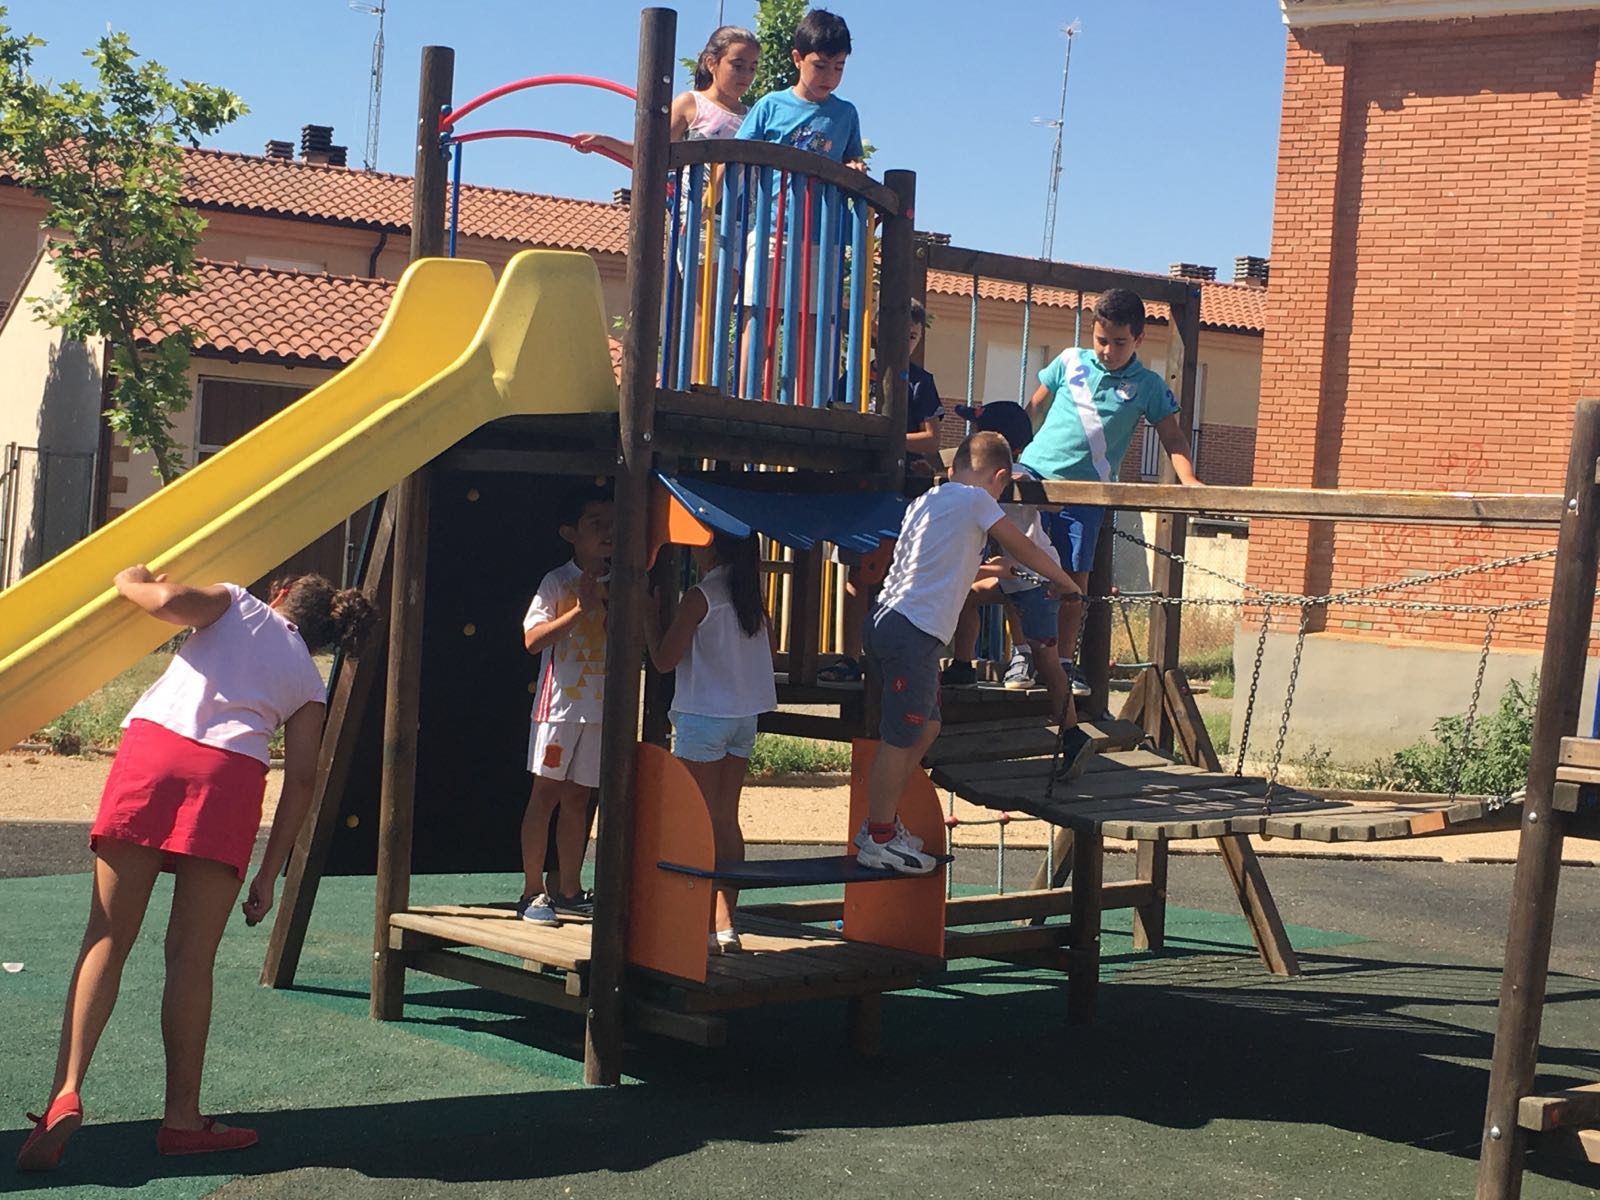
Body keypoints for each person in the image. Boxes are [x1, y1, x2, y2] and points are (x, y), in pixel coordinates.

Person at [16, 567, 375, 1171]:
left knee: (107, 935)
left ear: (281, 593)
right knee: (190, 958)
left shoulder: (238, 602)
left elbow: (167, 600)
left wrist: (130, 577)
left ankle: (65, 1093)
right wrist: (268, 872)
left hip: (155, 755)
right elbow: (305, 776)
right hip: (230, 780)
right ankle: (182, 1119)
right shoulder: (308, 681)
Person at [857, 432, 1085, 875]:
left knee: (928, 727)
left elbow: (942, 561)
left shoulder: (928, 500)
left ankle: (883, 824)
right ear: (1000, 476)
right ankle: (878, 835)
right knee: (902, 735)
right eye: (1002, 488)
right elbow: (1021, 544)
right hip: (912, 630)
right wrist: (1066, 580)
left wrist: (998, 569)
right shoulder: (977, 500)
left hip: (891, 621)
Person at [1016, 288, 1202, 700]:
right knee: (1021, 569)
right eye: (1101, 339)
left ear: (1138, 340)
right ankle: (1024, 654)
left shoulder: (1148, 386)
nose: (1107, 350)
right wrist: (1010, 449)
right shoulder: (1069, 361)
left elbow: (1172, 436)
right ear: (1092, 332)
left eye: (1119, 343)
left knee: (1073, 577)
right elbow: (1034, 409)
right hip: (1034, 478)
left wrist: (1187, 478)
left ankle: (1064, 661)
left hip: (1087, 491)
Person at [643, 532, 777, 954]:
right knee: (724, 818)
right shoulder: (750, 595)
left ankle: (692, 920)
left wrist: (649, 615)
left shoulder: (700, 596)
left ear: (711, 546)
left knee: (695, 820)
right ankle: (724, 924)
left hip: (704, 715)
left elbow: (664, 659)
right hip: (744, 716)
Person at [820, 299, 943, 684]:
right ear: (875, 333)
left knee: (897, 571)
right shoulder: (855, 376)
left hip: (899, 491)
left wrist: (889, 440)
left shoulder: (921, 381)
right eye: (898, 334)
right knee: (856, 574)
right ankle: (849, 656)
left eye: (913, 336)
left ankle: (889, 657)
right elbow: (838, 423)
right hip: (858, 488)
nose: (906, 342)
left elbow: (931, 438)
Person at [942, 402, 1076, 738]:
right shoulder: (977, 482)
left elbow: (1055, 504)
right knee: (968, 596)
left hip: (1036, 577)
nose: (972, 438)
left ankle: (1071, 729)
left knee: (1048, 657)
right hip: (1009, 574)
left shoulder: (1018, 476)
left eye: (979, 433)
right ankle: (962, 665)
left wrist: (1024, 484)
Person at [518, 486, 614, 927]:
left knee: (580, 799)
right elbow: (533, 640)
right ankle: (533, 892)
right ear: (570, 533)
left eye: (613, 523)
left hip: (601, 710)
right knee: (546, 795)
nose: (607, 532)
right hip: (558, 708)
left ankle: (571, 889)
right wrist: (580, 610)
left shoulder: (624, 580)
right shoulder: (556, 581)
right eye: (596, 523)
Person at [573, 26, 759, 164]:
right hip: (693, 212)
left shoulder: (754, 115)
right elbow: (651, 154)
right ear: (711, 63)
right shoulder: (692, 103)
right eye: (737, 66)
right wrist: (605, 143)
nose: (746, 75)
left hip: (744, 216)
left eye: (752, 68)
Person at [735, 9, 863, 167]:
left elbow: (852, 162)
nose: (829, 76)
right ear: (797, 59)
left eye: (838, 67)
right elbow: (735, 155)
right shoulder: (770, 105)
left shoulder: (846, 114)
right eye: (820, 66)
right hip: (774, 192)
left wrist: (855, 167)